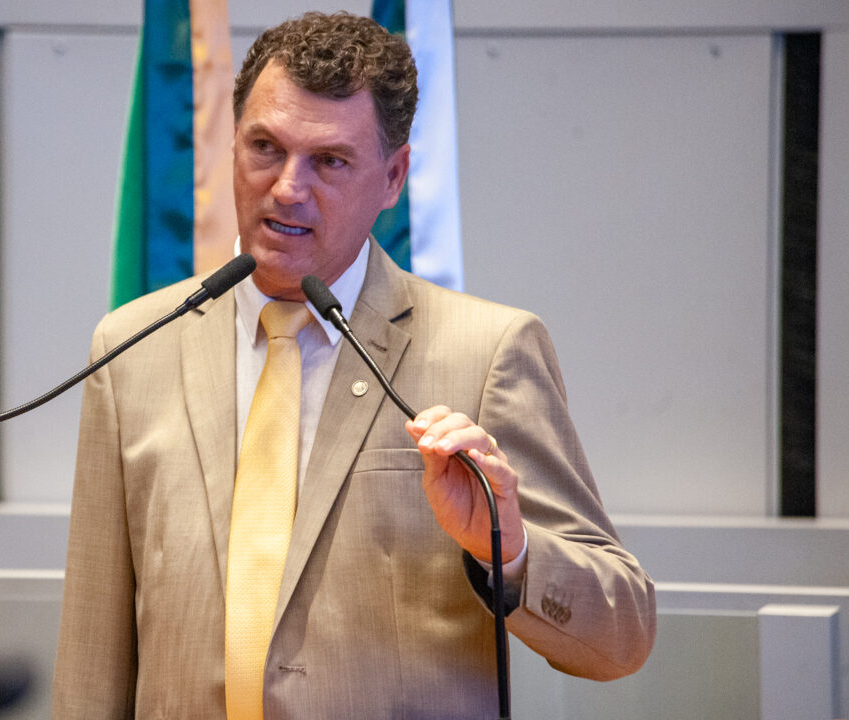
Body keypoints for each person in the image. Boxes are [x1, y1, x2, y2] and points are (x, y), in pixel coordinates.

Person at [52, 11, 654, 719]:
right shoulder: (133, 346)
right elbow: (92, 659)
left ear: (393, 177)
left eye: (330, 161)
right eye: (265, 147)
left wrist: (508, 550)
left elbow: (622, 636)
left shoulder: (488, 351)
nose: (287, 187)